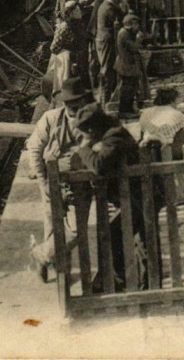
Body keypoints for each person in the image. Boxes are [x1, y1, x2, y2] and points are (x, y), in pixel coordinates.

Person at [73, 102, 149, 290]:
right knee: (132, 238)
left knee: (122, 236)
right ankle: (128, 281)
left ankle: (123, 282)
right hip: (134, 194)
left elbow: (99, 165)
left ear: (92, 129)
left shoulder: (114, 137)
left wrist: (84, 148)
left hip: (139, 196)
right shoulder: (112, 131)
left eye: (87, 133)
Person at [25, 78, 94, 280]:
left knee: (75, 230)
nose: (72, 106)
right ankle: (58, 273)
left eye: (76, 102)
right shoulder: (51, 118)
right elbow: (34, 148)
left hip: (80, 184)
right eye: (68, 102)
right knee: (52, 227)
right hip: (53, 182)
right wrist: (43, 181)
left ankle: (41, 255)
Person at [97, 0, 124, 103]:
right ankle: (105, 100)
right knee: (107, 69)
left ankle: (109, 98)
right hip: (107, 41)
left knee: (109, 68)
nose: (120, 0)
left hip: (104, 40)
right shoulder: (109, 8)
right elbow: (119, 22)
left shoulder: (106, 5)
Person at [114, 13, 146, 116]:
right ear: (130, 24)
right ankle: (124, 111)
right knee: (127, 89)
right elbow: (134, 47)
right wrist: (138, 38)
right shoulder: (123, 34)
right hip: (126, 66)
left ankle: (129, 109)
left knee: (131, 88)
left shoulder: (126, 33)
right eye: (136, 24)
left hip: (129, 65)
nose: (138, 27)